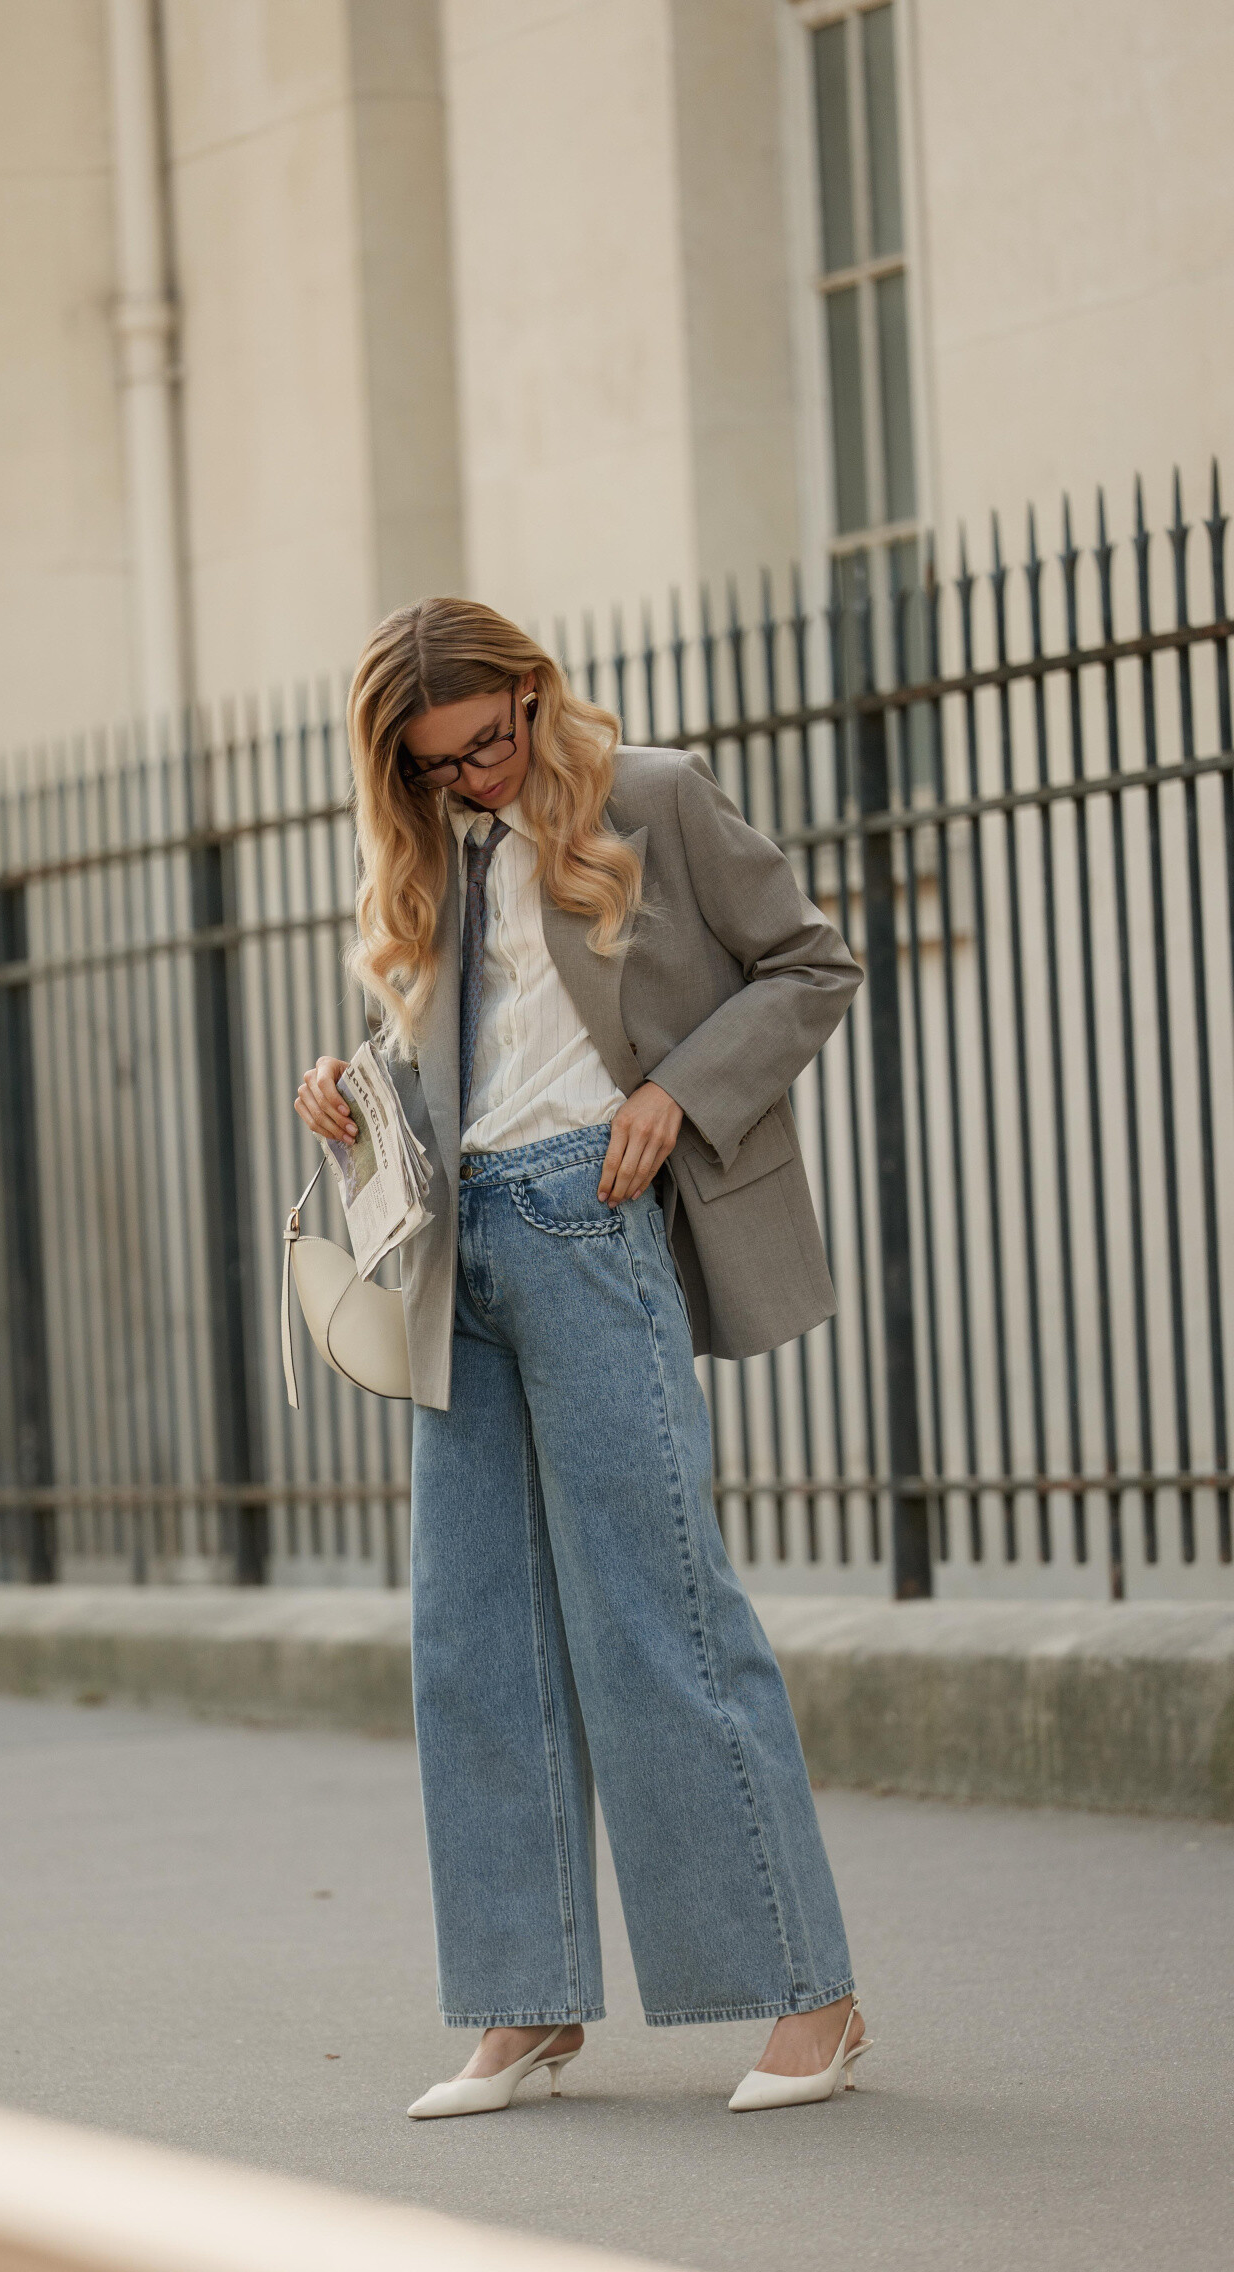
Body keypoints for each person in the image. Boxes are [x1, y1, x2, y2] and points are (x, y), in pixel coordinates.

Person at [295, 597, 870, 2119]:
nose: (477, 776)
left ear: (533, 697)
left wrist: (677, 1094)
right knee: (470, 1638)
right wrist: (355, 1093)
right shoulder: (432, 853)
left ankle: (809, 1996)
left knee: (657, 1617)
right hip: (457, 1250)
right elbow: (463, 1063)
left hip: (591, 1223)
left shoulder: (654, 798)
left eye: (491, 741)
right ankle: (524, 2007)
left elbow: (810, 965)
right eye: (439, 764)